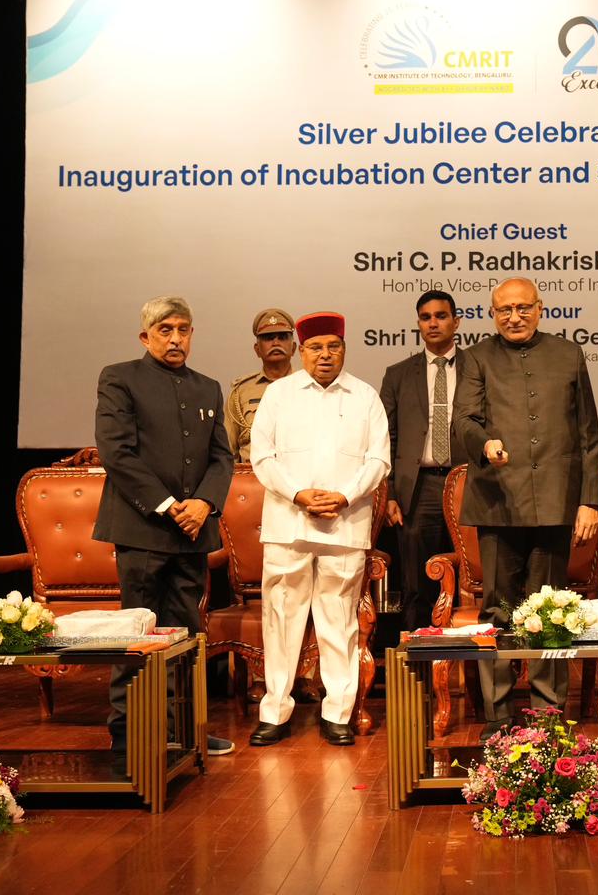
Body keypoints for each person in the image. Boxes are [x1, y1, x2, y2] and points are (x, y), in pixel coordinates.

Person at [453, 277, 598, 740]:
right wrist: (485, 442)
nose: (513, 317)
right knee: (498, 610)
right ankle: (497, 716)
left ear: (540, 308)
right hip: (498, 499)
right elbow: (464, 420)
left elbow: (588, 434)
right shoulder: (477, 357)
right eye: (503, 311)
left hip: (558, 501)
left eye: (522, 308)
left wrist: (589, 500)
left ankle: (548, 713)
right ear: (492, 315)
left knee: (552, 611)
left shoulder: (568, 354)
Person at [93, 296, 235, 756]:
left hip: (194, 530)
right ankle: (128, 728)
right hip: (142, 527)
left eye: (184, 329)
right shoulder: (120, 378)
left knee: (185, 635)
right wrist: (171, 505)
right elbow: (117, 452)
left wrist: (204, 504)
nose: (176, 339)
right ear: (146, 336)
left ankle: (185, 730)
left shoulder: (208, 386)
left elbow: (221, 458)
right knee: (137, 631)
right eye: (166, 330)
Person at [247, 312, 389, 747]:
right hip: (289, 523)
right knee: (282, 620)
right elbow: (262, 457)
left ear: (344, 349)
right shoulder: (279, 395)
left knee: (338, 620)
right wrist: (299, 495)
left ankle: (338, 713)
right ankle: (275, 711)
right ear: (300, 350)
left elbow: (378, 460)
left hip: (344, 524)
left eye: (333, 346)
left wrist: (344, 496)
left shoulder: (365, 396)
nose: (325, 355)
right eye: (315, 347)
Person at [379, 291, 466, 631]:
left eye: (441, 316)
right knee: (417, 582)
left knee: (472, 580)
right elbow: (387, 437)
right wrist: (390, 493)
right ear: (418, 324)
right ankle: (421, 675)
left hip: (468, 483)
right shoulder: (398, 374)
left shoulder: (479, 367)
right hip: (419, 487)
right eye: (426, 317)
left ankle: (468, 672)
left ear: (455, 321)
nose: (433, 323)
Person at [224, 308, 296, 462]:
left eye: (283, 337)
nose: (276, 343)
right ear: (257, 350)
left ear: (294, 348)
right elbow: (227, 451)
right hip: (253, 478)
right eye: (268, 338)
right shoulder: (240, 392)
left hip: (301, 478)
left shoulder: (309, 386)